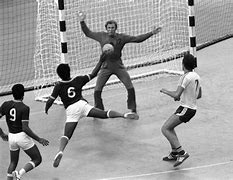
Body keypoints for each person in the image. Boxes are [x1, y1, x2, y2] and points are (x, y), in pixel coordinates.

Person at [45, 53, 139, 168]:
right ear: (69, 71)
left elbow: (50, 100)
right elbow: (94, 74)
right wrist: (100, 61)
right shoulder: (78, 79)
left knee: (66, 135)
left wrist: (47, 108)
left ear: (59, 75)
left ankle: (60, 151)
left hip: (71, 111)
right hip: (82, 105)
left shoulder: (58, 85)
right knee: (104, 114)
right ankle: (123, 115)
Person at [78, 11, 162, 115]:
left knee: (130, 87)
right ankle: (99, 110)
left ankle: (133, 109)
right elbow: (88, 33)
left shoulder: (122, 38)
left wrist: (151, 33)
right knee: (97, 90)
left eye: (112, 28)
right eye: (108, 28)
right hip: (106, 67)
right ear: (106, 28)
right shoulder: (101, 36)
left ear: (115, 28)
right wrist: (82, 21)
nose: (110, 30)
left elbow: (137, 39)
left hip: (118, 66)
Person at [160, 54, 202, 167]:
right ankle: (174, 153)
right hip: (190, 108)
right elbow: (199, 95)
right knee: (170, 127)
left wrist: (165, 91)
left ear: (183, 64)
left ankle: (181, 153)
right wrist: (186, 96)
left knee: (165, 129)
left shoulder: (184, 77)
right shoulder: (197, 76)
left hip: (186, 108)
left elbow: (176, 95)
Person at [0, 84, 49, 180]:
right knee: (37, 159)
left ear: (12, 94)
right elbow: (25, 128)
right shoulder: (24, 108)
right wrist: (39, 139)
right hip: (22, 137)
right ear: (23, 94)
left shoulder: (5, 105)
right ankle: (19, 174)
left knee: (13, 162)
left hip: (11, 137)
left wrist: (2, 134)